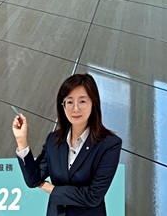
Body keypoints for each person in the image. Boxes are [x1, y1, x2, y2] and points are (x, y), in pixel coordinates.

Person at [11, 73, 122, 216]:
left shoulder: (109, 144)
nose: (75, 108)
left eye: (82, 101)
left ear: (93, 104)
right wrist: (21, 141)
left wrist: (52, 189)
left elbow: (93, 196)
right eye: (69, 102)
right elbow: (33, 179)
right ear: (62, 106)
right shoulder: (53, 140)